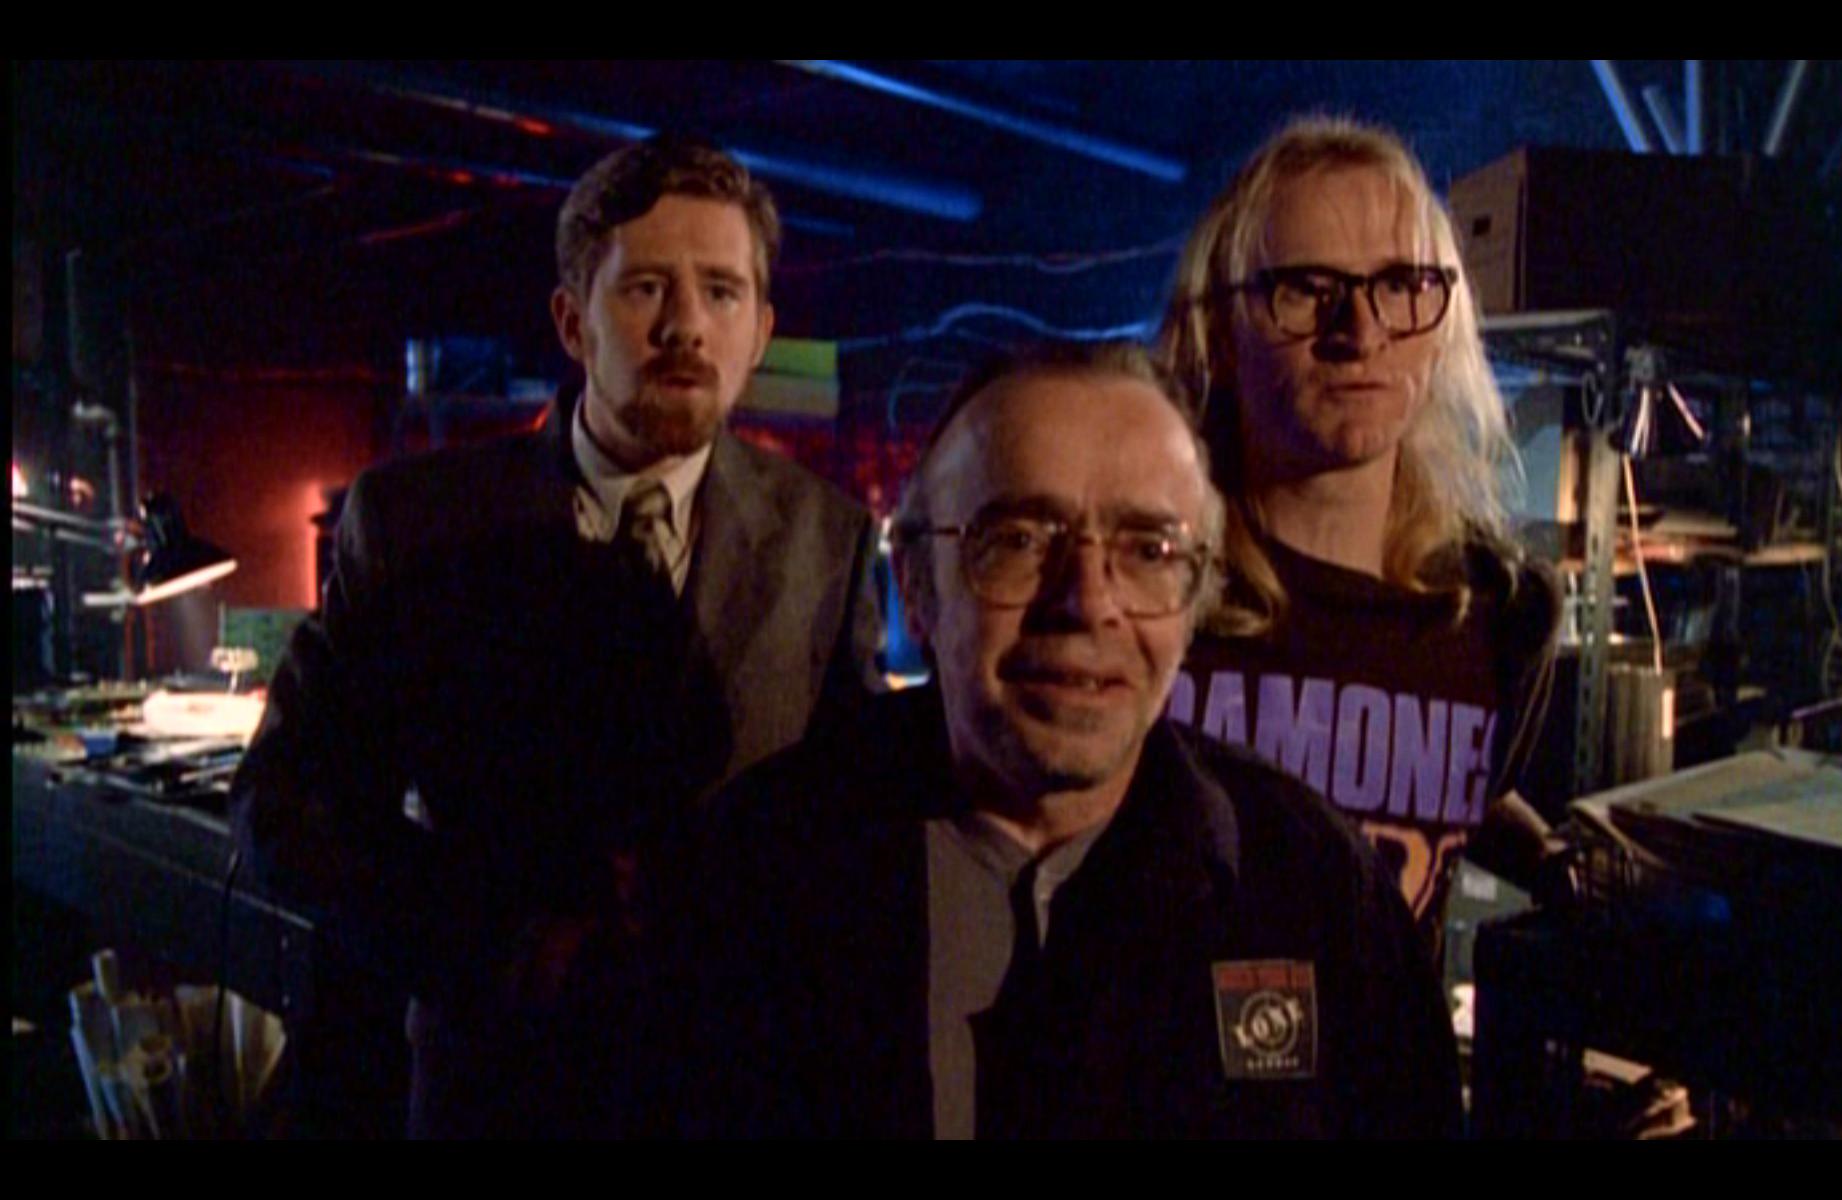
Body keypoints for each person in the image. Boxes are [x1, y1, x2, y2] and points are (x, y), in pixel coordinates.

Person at [637, 343, 1461, 1139]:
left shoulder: (1316, 889)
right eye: (1020, 540)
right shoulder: (745, 879)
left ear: (1197, 598)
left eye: (1149, 550)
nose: (1088, 602)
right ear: (915, 585)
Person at [232, 138, 880, 1138]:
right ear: (573, 322)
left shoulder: (826, 535)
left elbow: (857, 812)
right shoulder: (415, 522)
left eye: (721, 292)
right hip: (498, 1082)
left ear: (760, 331)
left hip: (740, 1088)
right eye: (647, 288)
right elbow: (287, 801)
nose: (686, 326)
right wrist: (499, 946)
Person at [1157, 116, 1563, 953]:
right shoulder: (1145, 599)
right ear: (1220, 333)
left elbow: (1456, 799)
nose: (1362, 332)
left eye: (1402, 284)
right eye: (1308, 289)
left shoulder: (1500, 614)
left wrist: (1562, 864)